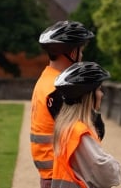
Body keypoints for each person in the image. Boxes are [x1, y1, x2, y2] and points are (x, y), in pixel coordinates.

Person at [30, 20, 95, 188]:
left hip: (50, 174)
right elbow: (83, 136)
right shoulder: (59, 90)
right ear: (72, 53)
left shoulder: (45, 80)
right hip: (61, 176)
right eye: (81, 52)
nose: (81, 57)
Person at [52, 61, 121, 188]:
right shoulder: (79, 132)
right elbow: (108, 175)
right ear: (89, 95)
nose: (102, 94)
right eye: (99, 89)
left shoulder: (64, 126)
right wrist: (114, 164)